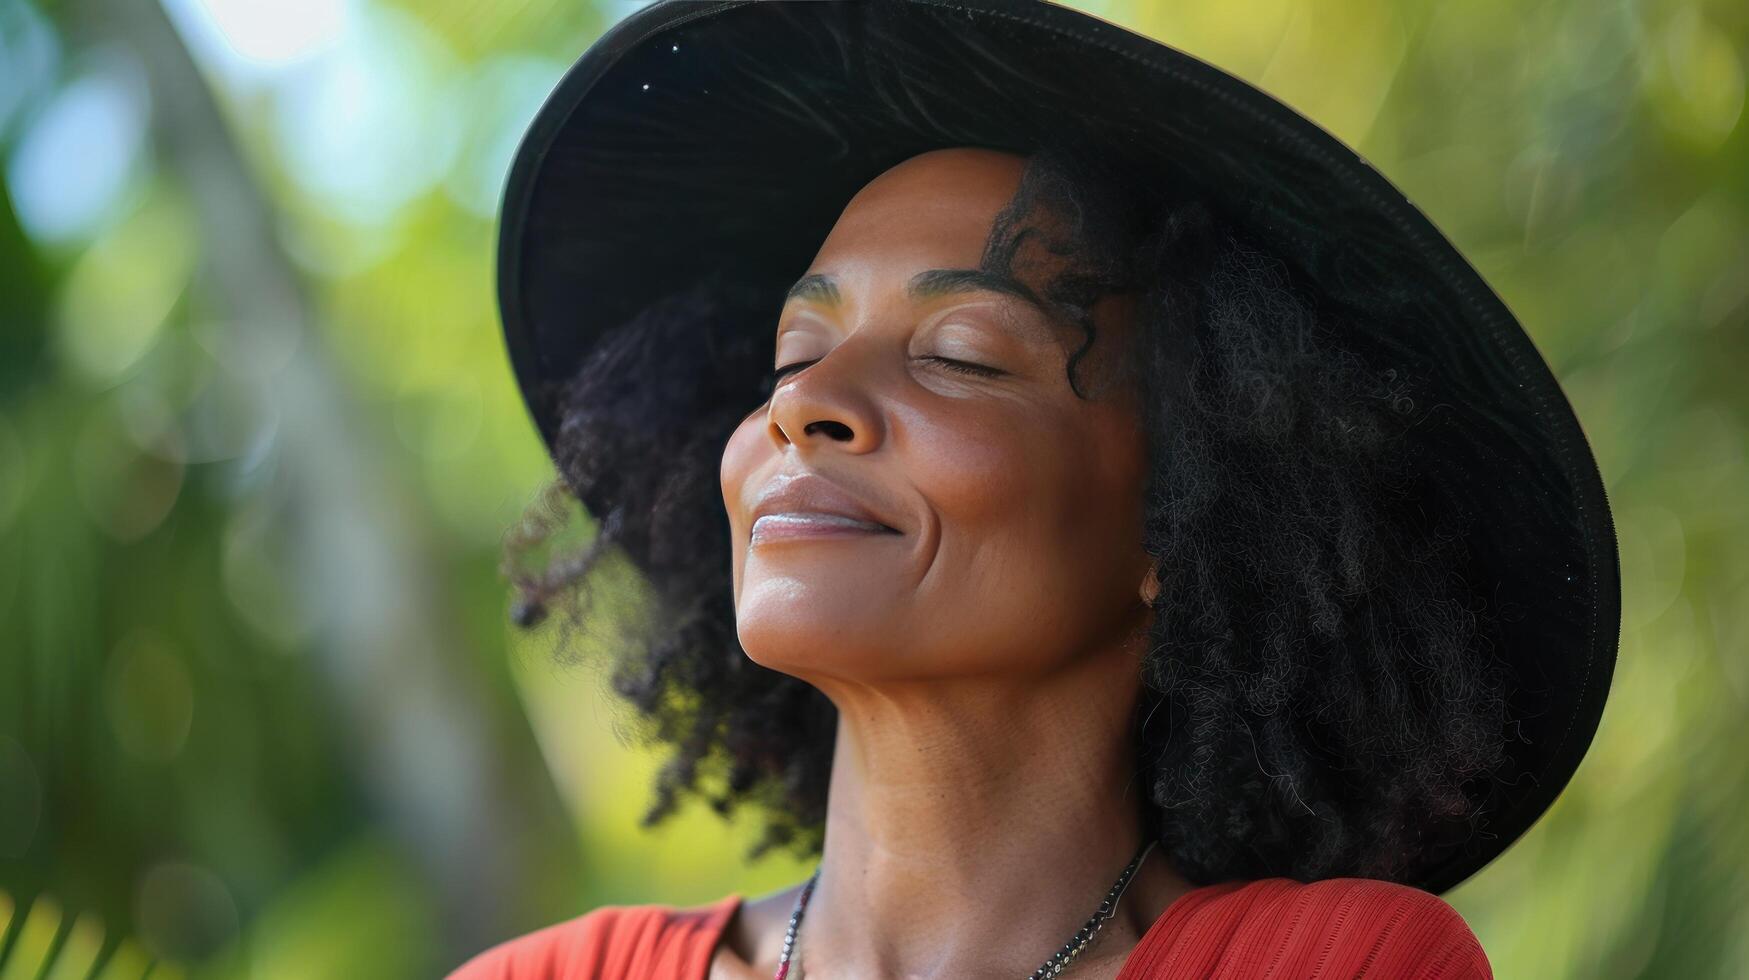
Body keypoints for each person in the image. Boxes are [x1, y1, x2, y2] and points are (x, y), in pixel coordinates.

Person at [451, 2, 1619, 977]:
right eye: (793, 356)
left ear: (1183, 511)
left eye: (960, 353)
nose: (806, 404)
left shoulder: (1338, 963)